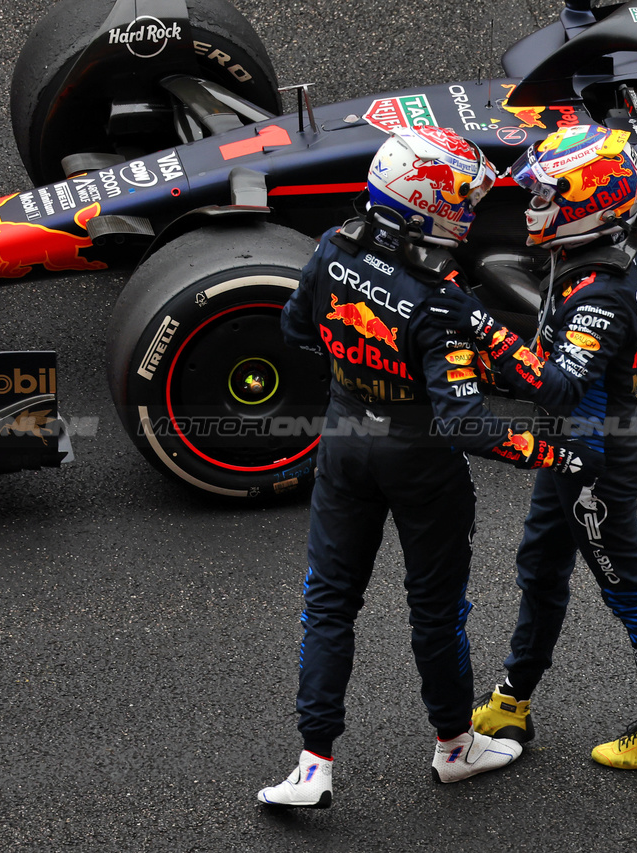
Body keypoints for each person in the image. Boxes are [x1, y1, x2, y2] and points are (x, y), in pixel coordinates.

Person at [258, 125, 598, 809]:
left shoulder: (331, 248)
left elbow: (296, 331)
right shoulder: (445, 301)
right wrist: (552, 452)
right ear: (429, 204)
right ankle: (452, 748)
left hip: (345, 442)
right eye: (463, 198)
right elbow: (466, 422)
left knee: (329, 604)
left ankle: (313, 764)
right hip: (421, 465)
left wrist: (361, 371)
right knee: (435, 614)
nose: (470, 210)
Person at [418, 125, 637, 770]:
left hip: (594, 458)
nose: (533, 209)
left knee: (629, 587)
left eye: (547, 199)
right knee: (539, 566)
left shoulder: (599, 294)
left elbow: (560, 387)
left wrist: (477, 331)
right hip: (568, 452)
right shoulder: (593, 254)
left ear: (589, 206)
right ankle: (514, 699)